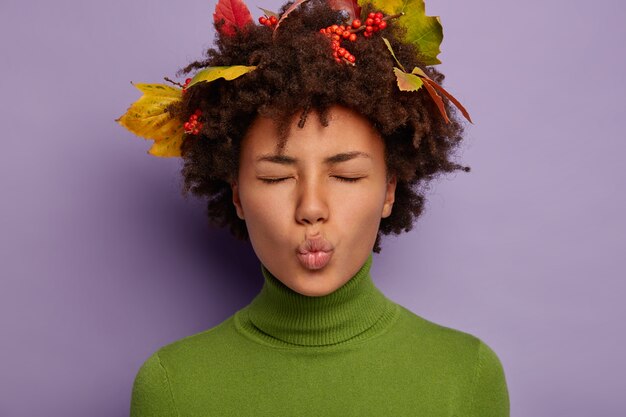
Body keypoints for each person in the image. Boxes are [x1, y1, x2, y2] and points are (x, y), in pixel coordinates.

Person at [117, 0, 510, 415]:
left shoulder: (465, 376)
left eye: (346, 176)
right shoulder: (172, 387)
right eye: (276, 177)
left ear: (389, 190)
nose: (311, 208)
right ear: (237, 195)